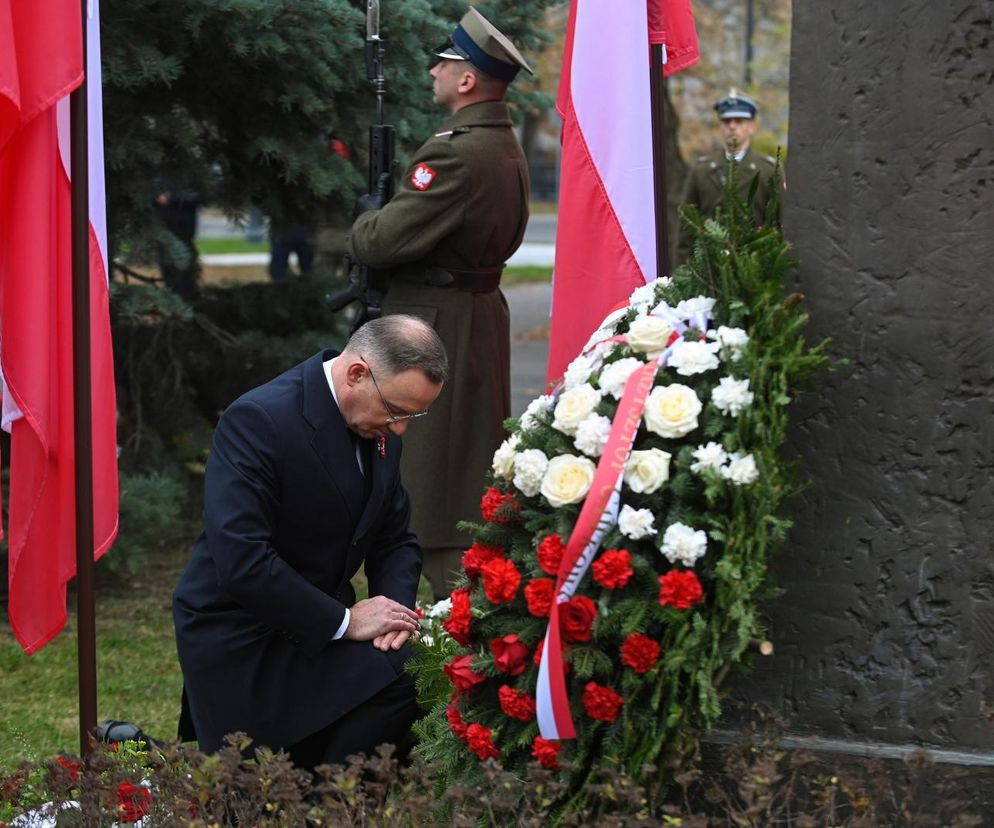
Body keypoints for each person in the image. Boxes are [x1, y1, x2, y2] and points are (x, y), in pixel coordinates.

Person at [172, 315, 447, 771]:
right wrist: (343, 620)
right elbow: (243, 561)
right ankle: (319, 797)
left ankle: (330, 798)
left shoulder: (376, 427)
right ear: (357, 373)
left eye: (412, 416)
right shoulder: (259, 420)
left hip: (319, 622)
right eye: (396, 411)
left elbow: (396, 538)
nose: (400, 429)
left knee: (413, 666)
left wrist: (393, 616)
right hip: (246, 631)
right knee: (401, 678)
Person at [347, 8, 533, 600]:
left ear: (468, 80)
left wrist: (365, 218)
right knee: (460, 472)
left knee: (431, 483)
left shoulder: (455, 154)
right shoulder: (502, 146)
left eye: (445, 63)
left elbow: (379, 241)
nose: (434, 71)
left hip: (435, 327)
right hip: (472, 319)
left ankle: (462, 623)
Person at [676, 89, 781, 264]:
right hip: (709, 270)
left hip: (756, 271)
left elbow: (780, 224)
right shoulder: (701, 170)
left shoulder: (769, 170)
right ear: (720, 127)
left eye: (739, 121)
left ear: (752, 127)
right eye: (726, 121)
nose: (732, 126)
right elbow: (686, 230)